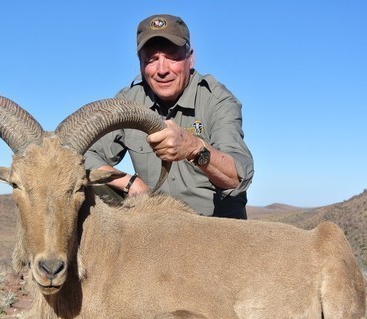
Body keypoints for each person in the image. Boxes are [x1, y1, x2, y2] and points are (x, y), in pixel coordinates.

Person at [84, 14, 254, 219]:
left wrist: (193, 148)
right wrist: (128, 182)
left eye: (172, 56)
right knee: (85, 188)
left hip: (214, 227)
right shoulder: (128, 102)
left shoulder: (218, 101)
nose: (162, 70)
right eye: (152, 59)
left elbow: (237, 177)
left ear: (190, 58)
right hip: (159, 225)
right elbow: (83, 156)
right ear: (140, 65)